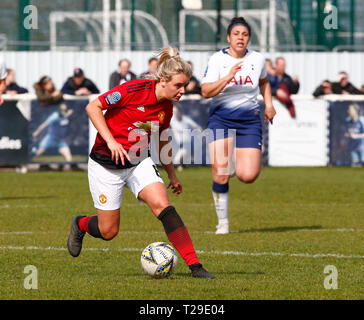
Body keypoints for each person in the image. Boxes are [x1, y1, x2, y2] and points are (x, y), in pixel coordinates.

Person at [67, 47, 214, 279]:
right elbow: (92, 106)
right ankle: (81, 224)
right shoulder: (132, 89)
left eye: (184, 85)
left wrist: (172, 175)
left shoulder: (166, 106)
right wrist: (111, 142)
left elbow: (162, 141)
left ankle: (195, 266)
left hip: (138, 163)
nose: (183, 91)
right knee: (108, 231)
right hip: (106, 166)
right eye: (178, 85)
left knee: (164, 207)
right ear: (163, 80)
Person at [200, 17, 276, 235]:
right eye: (236, 34)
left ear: (248, 38)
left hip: (249, 120)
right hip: (221, 119)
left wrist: (269, 104)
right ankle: (222, 223)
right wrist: (228, 76)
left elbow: (263, 82)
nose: (240, 37)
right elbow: (206, 92)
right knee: (221, 174)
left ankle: (231, 165)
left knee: (248, 176)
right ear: (228, 37)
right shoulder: (217, 60)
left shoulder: (258, 59)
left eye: (244, 34)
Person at [32, 103, 74, 169]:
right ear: (59, 110)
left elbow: (66, 115)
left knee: (68, 156)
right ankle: (26, 166)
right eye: (62, 109)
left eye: (64, 110)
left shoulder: (64, 115)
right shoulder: (55, 116)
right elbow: (45, 124)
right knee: (37, 153)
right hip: (50, 139)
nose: (63, 111)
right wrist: (36, 132)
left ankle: (67, 171)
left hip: (60, 141)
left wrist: (69, 113)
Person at [170, 103, 202, 168]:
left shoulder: (186, 119)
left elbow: (198, 127)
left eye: (176, 111)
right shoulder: (171, 120)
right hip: (176, 144)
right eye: (174, 112)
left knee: (177, 160)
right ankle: (184, 165)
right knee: (181, 160)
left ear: (180, 112)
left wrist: (200, 134)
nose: (175, 113)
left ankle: (182, 165)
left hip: (186, 144)